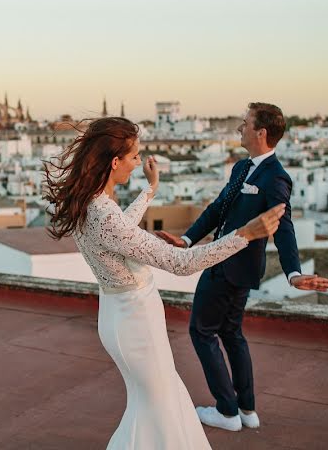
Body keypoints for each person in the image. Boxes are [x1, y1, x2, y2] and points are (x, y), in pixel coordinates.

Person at [44, 116, 285, 450]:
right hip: (135, 325)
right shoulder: (103, 212)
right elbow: (181, 263)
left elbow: (118, 233)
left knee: (158, 405)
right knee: (158, 409)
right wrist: (244, 235)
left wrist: (150, 190)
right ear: (115, 162)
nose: (136, 163)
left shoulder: (90, 204)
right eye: (133, 157)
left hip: (121, 317)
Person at [157, 103, 328, 432]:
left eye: (245, 123)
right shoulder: (241, 168)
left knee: (201, 331)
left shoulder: (276, 177)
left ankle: (227, 411)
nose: (240, 128)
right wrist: (186, 240)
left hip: (230, 268)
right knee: (230, 333)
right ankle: (247, 409)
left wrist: (293, 273)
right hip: (222, 260)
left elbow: (283, 227)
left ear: (261, 132)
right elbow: (217, 209)